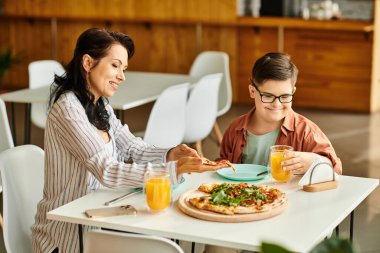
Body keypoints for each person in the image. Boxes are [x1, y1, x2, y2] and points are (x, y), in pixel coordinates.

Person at [31, 28, 227, 253]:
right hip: (66, 235)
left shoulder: (99, 104)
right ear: (87, 62)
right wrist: (171, 170)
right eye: (115, 65)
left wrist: (171, 153)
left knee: (166, 230)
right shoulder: (68, 109)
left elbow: (131, 147)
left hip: (100, 215)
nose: (122, 76)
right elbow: (106, 169)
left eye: (123, 69)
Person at [204, 53, 343, 253]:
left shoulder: (306, 131)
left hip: (290, 217)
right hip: (242, 214)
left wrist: (314, 160)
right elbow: (223, 169)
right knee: (216, 248)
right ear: (252, 91)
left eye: (285, 96)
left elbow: (335, 170)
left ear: (293, 91)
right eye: (268, 96)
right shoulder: (235, 130)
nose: (277, 104)